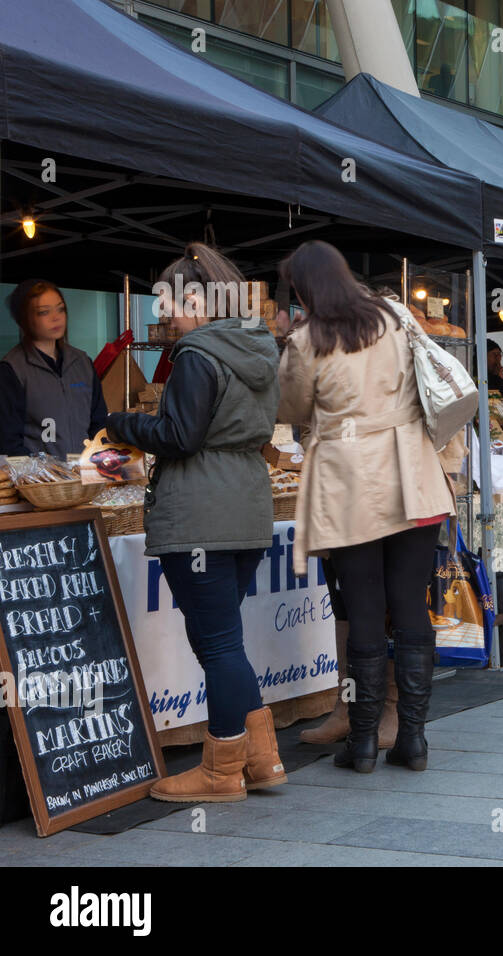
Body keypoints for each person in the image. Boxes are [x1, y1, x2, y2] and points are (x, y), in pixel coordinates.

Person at [106, 243, 284, 802]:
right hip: (248, 507)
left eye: (168, 303)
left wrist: (123, 424)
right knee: (225, 640)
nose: (163, 315)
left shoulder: (197, 354)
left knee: (218, 645)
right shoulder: (256, 347)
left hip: (202, 512)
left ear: (199, 301)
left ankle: (220, 771)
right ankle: (262, 760)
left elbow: (180, 436)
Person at [278, 240, 455, 774]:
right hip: (413, 476)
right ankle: (414, 740)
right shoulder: (397, 314)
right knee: (410, 608)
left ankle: (360, 744)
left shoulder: (307, 338)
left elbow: (290, 406)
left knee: (363, 614)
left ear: (306, 290)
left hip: (349, 485)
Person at [2, 280, 108, 456]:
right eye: (44, 312)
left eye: (60, 309)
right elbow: (8, 442)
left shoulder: (82, 362)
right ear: (24, 319)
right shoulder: (12, 370)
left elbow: (99, 424)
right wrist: (40, 475)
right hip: (40, 480)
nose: (56, 317)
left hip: (86, 474)